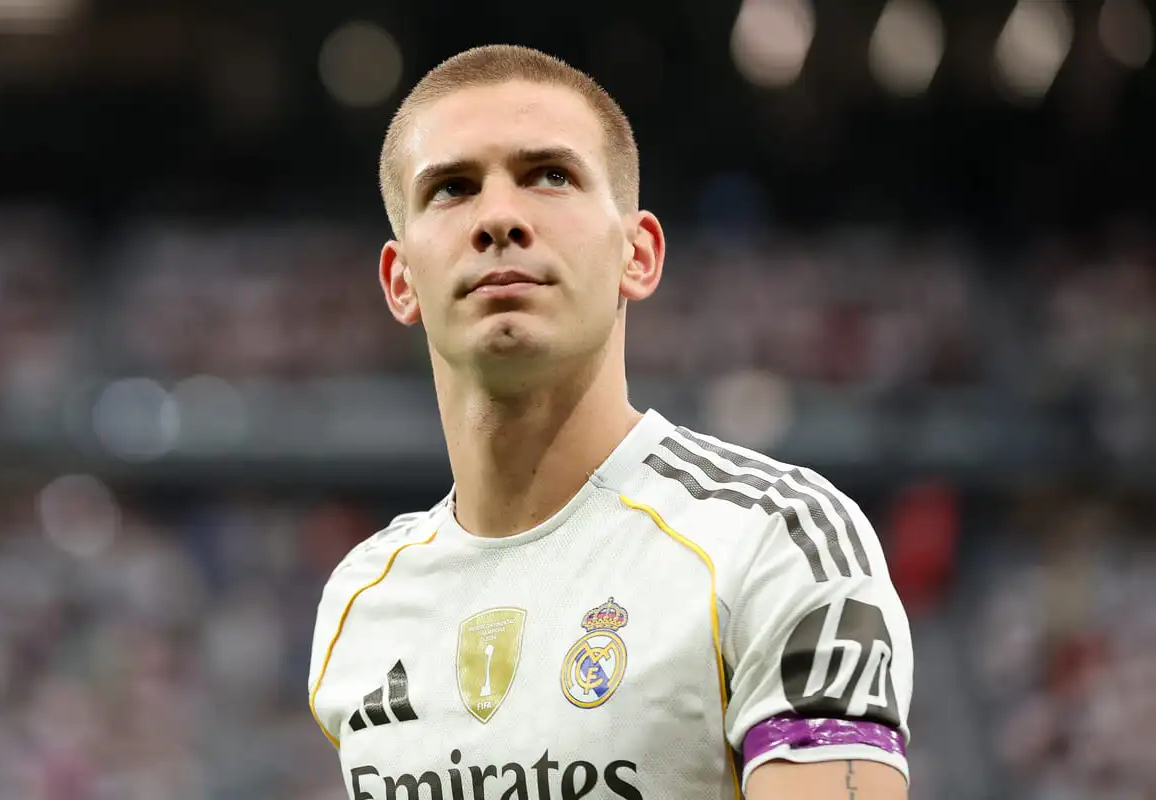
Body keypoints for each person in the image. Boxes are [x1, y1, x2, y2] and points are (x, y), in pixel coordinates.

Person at [309, 44, 913, 800]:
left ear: (639, 253)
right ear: (401, 281)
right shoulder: (362, 602)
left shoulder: (773, 542)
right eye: (453, 188)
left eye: (549, 176)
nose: (499, 217)